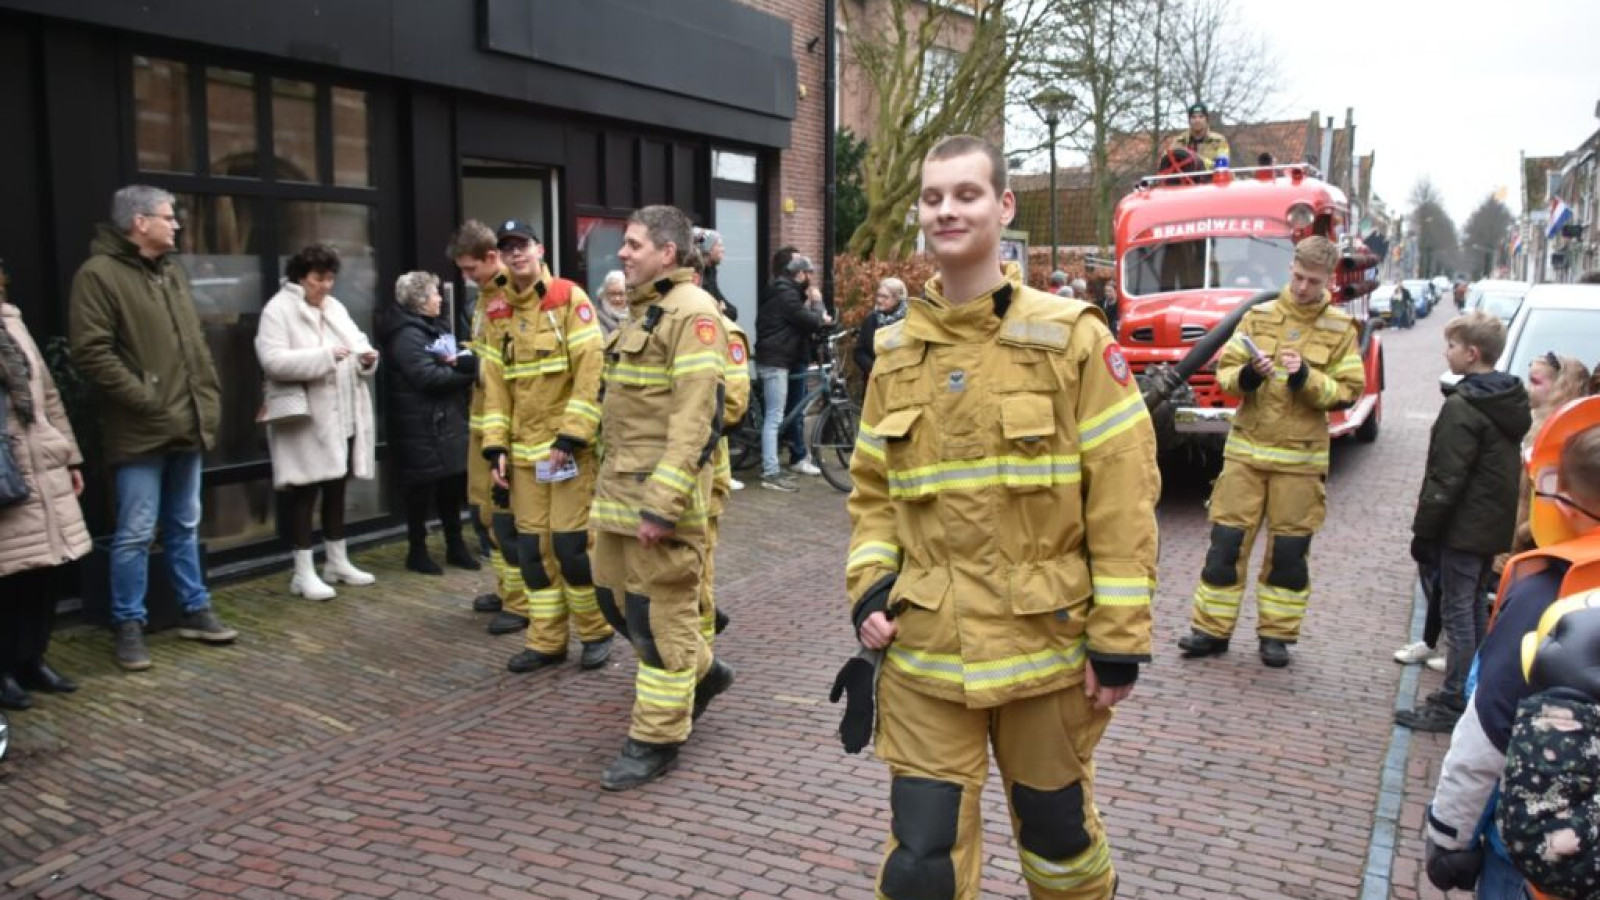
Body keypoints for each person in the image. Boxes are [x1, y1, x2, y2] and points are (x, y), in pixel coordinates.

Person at [839, 134, 1159, 900]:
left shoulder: (1072, 339)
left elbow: (1122, 492)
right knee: (920, 862)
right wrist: (871, 585)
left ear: (1003, 205)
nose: (946, 209)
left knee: (1060, 845)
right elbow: (873, 492)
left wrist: (1118, 639)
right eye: (932, 196)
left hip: (1043, 649)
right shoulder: (893, 353)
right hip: (926, 651)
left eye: (966, 193)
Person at [1420, 400, 1600, 900]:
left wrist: (1448, 834)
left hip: (1538, 858)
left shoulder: (1548, 595)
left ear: (1561, 502)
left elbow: (1491, 728)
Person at [590, 204, 734, 791]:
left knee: (658, 623)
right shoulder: (640, 313)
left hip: (659, 507)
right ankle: (706, 672)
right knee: (613, 603)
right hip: (617, 499)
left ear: (667, 253)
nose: (622, 253)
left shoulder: (694, 315)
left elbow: (694, 420)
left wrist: (663, 506)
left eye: (633, 244)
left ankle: (654, 740)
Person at [69, 184, 237, 671]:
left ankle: (194, 608)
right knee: (136, 531)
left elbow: (194, 344)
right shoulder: (98, 276)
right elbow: (91, 352)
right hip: (140, 429)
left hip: (188, 421)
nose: (177, 224)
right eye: (169, 217)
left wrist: (207, 395)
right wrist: (147, 400)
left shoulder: (170, 272)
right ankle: (128, 624)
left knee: (184, 523)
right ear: (140, 223)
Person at [1177, 236, 1364, 668]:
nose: (1301, 288)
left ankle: (1275, 637)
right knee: (1224, 547)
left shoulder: (1339, 330)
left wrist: (1308, 380)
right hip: (1246, 456)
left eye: (1312, 282)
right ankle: (1210, 631)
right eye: (1298, 277)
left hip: (1300, 463)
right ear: (1291, 269)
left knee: (1288, 555)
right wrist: (1248, 375)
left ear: (1328, 281)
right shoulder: (1258, 317)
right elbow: (1224, 375)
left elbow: (1348, 393)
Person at [479, 220, 613, 675]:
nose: (516, 255)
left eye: (522, 247)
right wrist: (494, 446)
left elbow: (590, 371)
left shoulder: (567, 299)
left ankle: (595, 633)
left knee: (571, 546)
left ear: (539, 250)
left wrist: (571, 436)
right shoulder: (497, 313)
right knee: (532, 551)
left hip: (566, 452)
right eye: (507, 249)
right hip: (522, 453)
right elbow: (495, 386)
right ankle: (547, 640)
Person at [1395, 311, 1530, 732]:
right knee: (1471, 608)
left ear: (1471, 354)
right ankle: (1469, 691)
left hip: (1463, 527)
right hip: (1489, 524)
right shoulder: (1508, 399)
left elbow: (1446, 476)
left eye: (1452, 346)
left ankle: (1455, 698)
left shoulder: (1465, 405)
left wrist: (1425, 531)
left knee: (1458, 610)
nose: (1446, 352)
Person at [254, 244, 380, 601]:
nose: (325, 285)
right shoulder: (278, 310)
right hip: (305, 418)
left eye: (329, 278)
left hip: (342, 413)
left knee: (338, 487)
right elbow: (273, 361)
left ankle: (337, 562)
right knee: (304, 492)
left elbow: (356, 342)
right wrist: (325, 357)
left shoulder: (334, 307)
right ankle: (303, 572)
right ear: (300, 276)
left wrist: (366, 358)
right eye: (317, 278)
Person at [0, 282, 91, 709]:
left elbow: (49, 395)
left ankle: (32, 659)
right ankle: (3, 672)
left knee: (46, 568)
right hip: (7, 473)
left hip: (44, 466)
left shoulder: (13, 322)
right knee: (9, 576)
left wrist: (70, 456)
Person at [449, 221, 530, 631]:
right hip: (483, 420)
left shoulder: (510, 297)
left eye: (470, 269)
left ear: (491, 257)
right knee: (484, 511)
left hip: (504, 426)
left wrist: (474, 363)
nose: (466, 277)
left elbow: (512, 363)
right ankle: (506, 588)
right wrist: (466, 354)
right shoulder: (484, 297)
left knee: (504, 516)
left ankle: (520, 602)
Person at [377, 271, 479, 575]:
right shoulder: (407, 335)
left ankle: (455, 546)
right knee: (420, 493)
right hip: (418, 426)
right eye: (435, 293)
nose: (440, 298)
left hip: (442, 422)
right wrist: (468, 374)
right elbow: (427, 376)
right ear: (419, 300)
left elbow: (451, 361)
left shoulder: (432, 327)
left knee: (450, 486)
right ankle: (417, 551)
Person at [755, 249, 830, 492]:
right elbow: (811, 321)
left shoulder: (784, 291)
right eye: (808, 272)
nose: (810, 276)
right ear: (798, 274)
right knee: (775, 417)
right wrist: (817, 302)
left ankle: (778, 463)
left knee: (778, 416)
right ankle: (770, 472)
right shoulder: (786, 294)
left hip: (780, 358)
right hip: (776, 360)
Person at [853, 278, 908, 379]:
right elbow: (859, 351)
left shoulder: (909, 320)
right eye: (878, 295)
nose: (879, 300)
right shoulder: (871, 319)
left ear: (897, 299)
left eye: (884, 297)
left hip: (902, 379)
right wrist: (872, 368)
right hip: (875, 379)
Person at [1168, 102, 1230, 170]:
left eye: (1201, 117)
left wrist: (1197, 161)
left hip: (1211, 179)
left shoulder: (1219, 140)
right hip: (1185, 179)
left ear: (1206, 119)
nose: (1197, 120)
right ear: (1189, 120)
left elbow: (1223, 166)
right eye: (1193, 117)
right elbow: (1167, 163)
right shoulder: (1179, 141)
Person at [693, 227, 737, 321]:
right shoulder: (696, 276)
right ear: (708, 249)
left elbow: (732, 311)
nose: (723, 250)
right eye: (719, 245)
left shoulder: (710, 272)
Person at [595, 270, 630, 336]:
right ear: (604, 294)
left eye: (621, 294)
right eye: (612, 294)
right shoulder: (597, 317)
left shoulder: (635, 314)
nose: (617, 299)